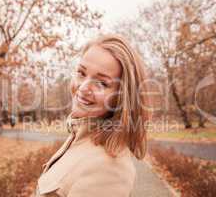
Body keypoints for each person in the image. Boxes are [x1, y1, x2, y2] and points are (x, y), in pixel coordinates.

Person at [32, 34, 150, 197]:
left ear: (122, 97)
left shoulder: (110, 169)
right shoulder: (79, 136)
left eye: (101, 83)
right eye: (81, 73)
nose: (83, 87)